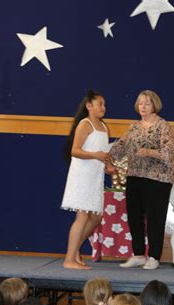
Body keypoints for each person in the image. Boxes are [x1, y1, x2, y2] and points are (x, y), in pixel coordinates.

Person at [110, 90, 174, 270]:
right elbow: (118, 149)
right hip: (134, 176)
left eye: (147, 103)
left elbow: (169, 153)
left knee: (155, 218)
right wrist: (103, 154)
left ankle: (154, 256)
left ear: (155, 105)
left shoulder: (163, 126)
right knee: (134, 217)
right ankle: (138, 254)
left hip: (157, 179)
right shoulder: (134, 128)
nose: (143, 107)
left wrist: (149, 152)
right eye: (140, 103)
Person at [61, 90, 113, 270]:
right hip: (82, 176)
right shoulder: (85, 124)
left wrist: (108, 165)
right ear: (89, 106)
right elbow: (75, 150)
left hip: (95, 177)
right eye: (100, 104)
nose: (103, 108)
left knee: (96, 216)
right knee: (82, 215)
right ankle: (69, 259)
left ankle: (74, 249)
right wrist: (95, 155)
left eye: (104, 104)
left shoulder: (104, 127)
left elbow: (103, 153)